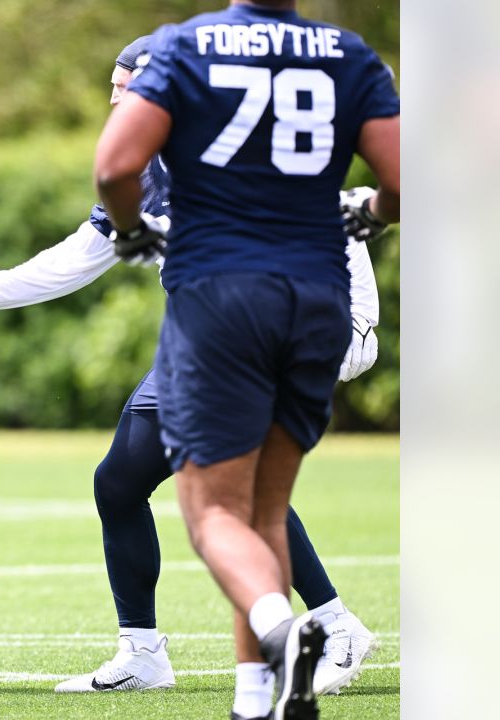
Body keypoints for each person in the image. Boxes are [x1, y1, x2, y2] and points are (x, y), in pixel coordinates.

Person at [0, 35, 383, 714]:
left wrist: (353, 326)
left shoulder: (237, 140)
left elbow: (343, 216)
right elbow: (78, 257)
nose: (114, 98)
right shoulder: (143, 166)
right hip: (207, 336)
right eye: (112, 85)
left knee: (242, 489)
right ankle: (142, 653)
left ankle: (335, 629)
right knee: (122, 482)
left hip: (295, 323)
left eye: (127, 84)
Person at [93, 3, 399, 718]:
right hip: (318, 300)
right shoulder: (346, 53)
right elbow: (405, 175)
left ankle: (283, 630)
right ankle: (253, 699)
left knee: (213, 510)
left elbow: (116, 164)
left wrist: (133, 231)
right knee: (265, 507)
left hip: (224, 298)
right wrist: (376, 214)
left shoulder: (185, 46)